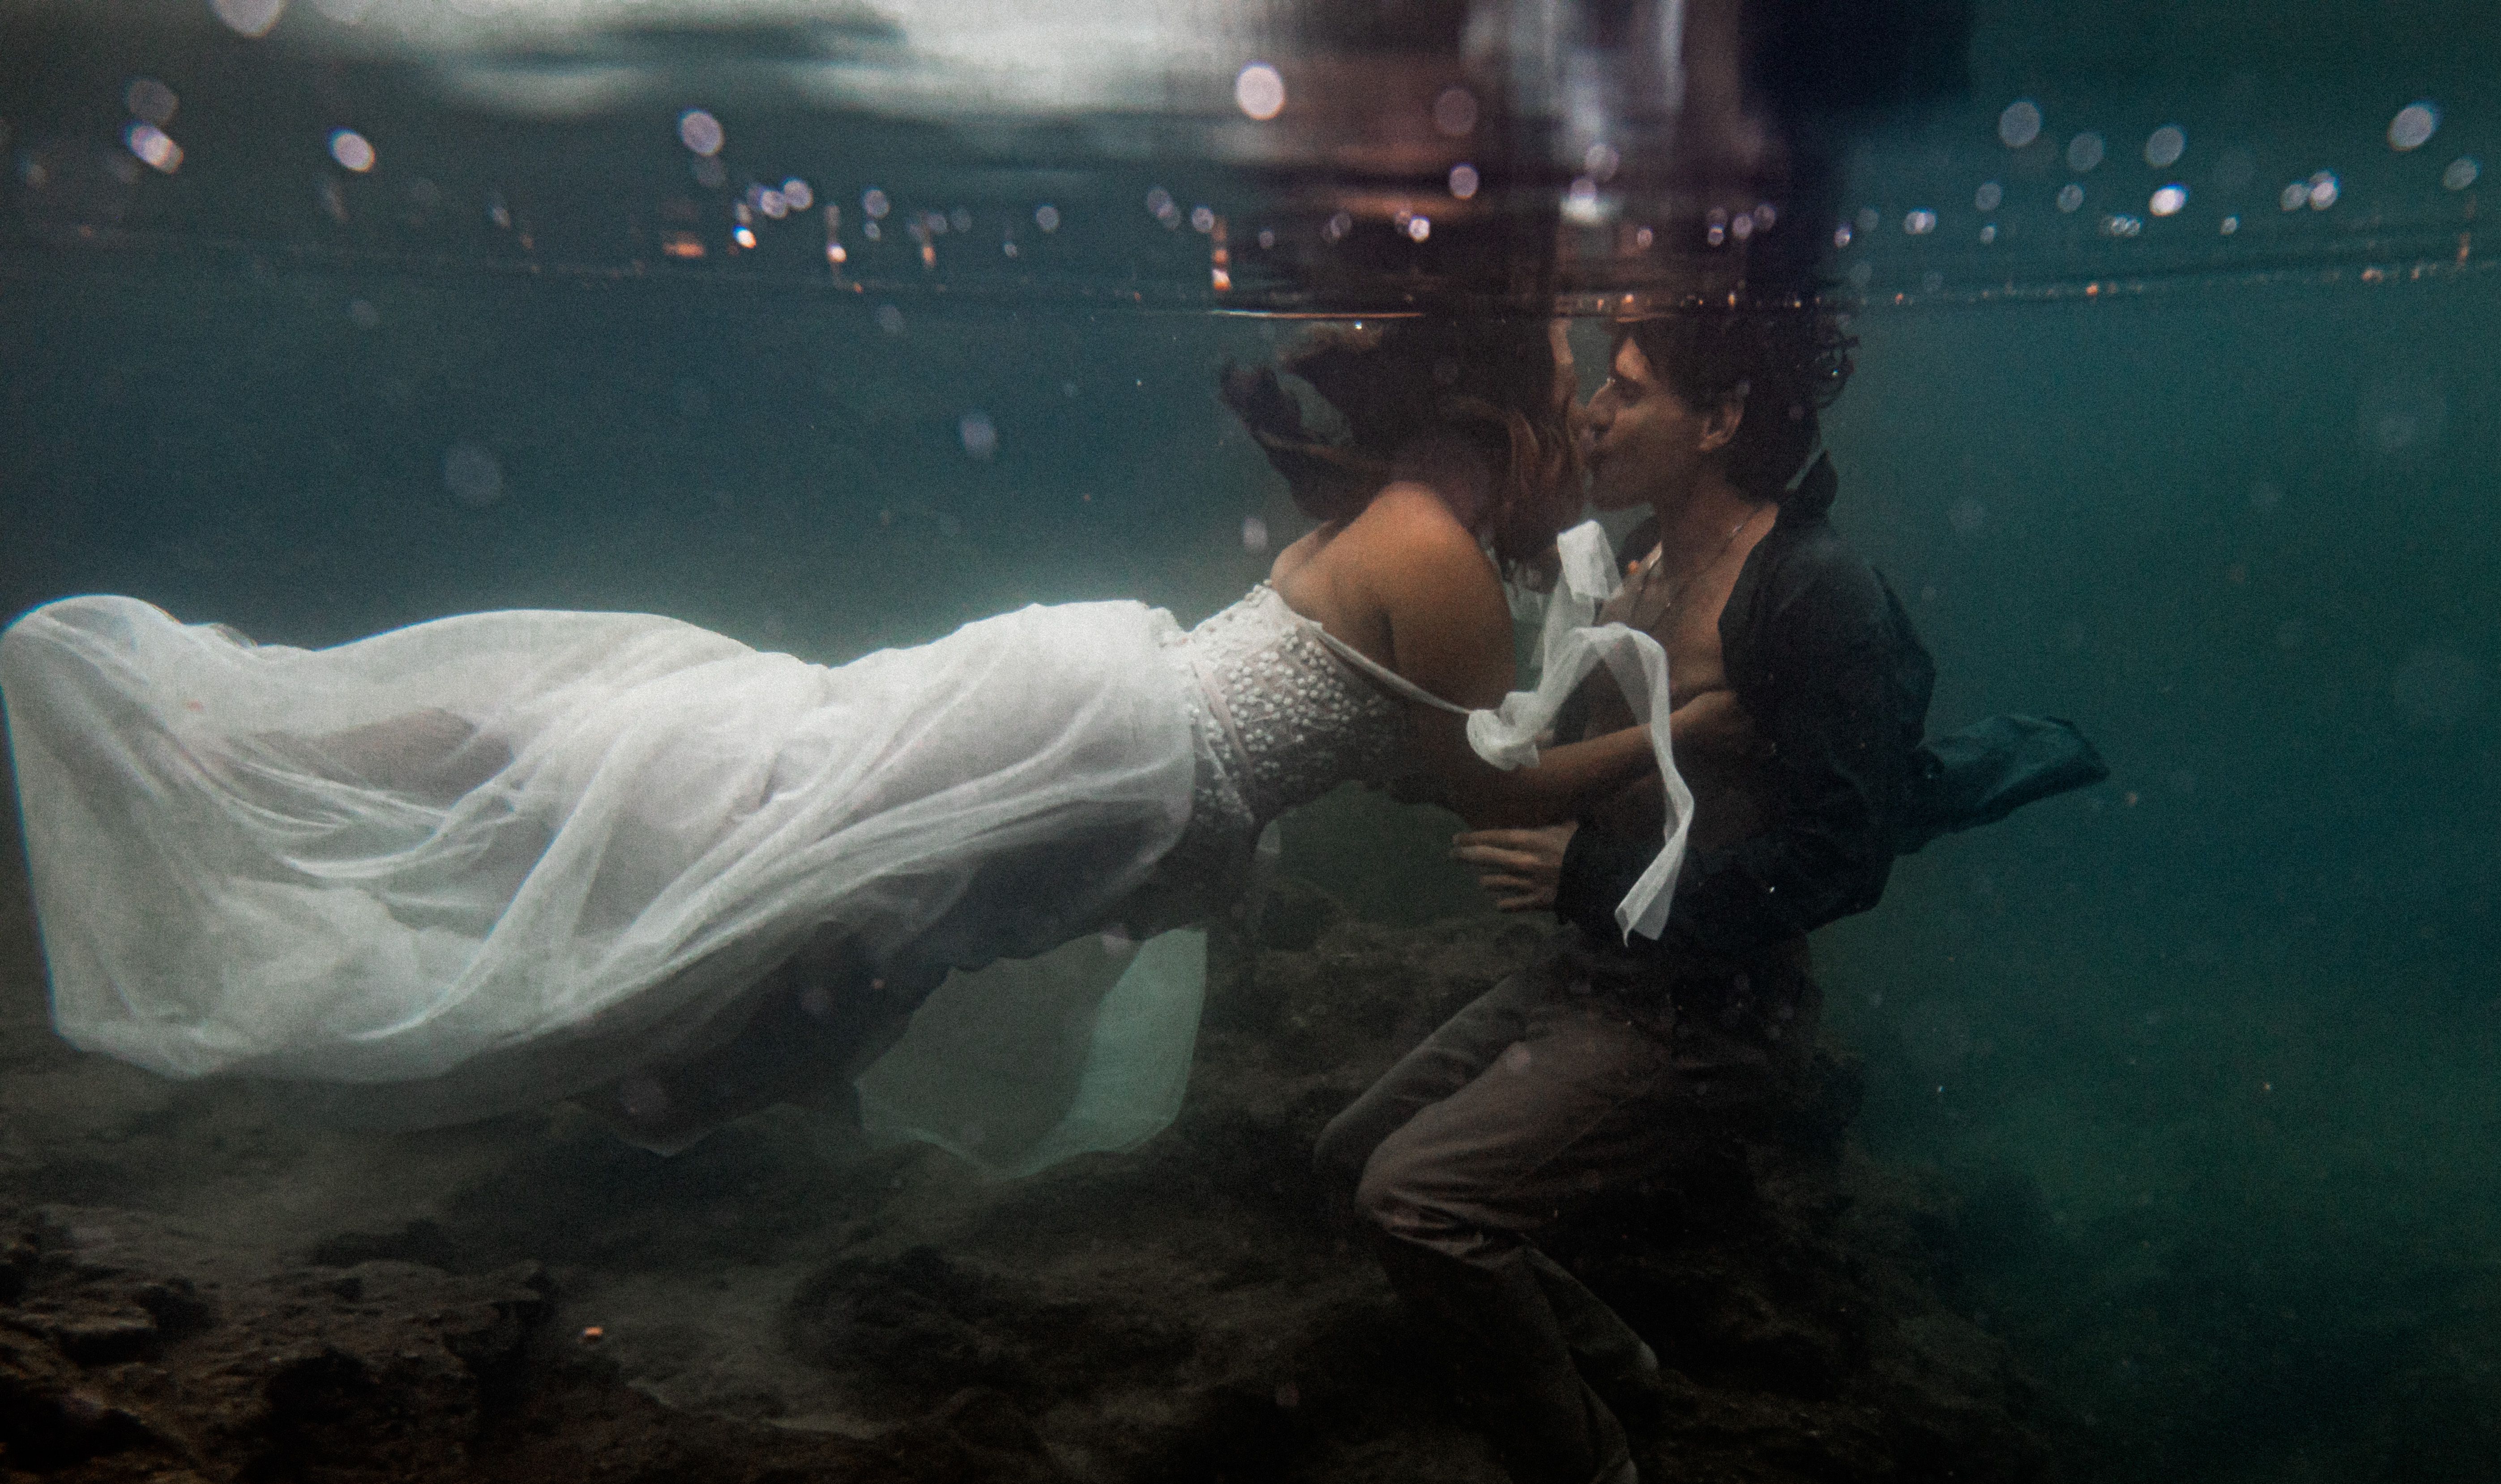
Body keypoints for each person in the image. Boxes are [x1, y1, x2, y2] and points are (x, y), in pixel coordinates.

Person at [0, 318, 1732, 1155]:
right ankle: (259, 758)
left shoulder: (1413, 518)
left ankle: (353, 805)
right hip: (1111, 756)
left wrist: (1644, 676)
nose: (1585, 447)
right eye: (1574, 415)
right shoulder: (1433, 549)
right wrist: (1704, 728)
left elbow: (1457, 733)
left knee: (770, 825)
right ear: (1505, 424)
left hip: (1107, 751)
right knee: (728, 797)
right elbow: (1467, 786)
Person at [1315, 308, 1941, 1484]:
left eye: (1632, 389)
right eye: (1601, 382)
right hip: (1595, 978)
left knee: (1414, 1202)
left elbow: (1846, 861)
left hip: (1713, 1018)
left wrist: (1586, 881)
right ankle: (1612, 1358)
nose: (1594, 410)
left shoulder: (1817, 596)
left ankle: (1583, 1477)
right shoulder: (1646, 560)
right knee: (1348, 1160)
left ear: (1723, 422)